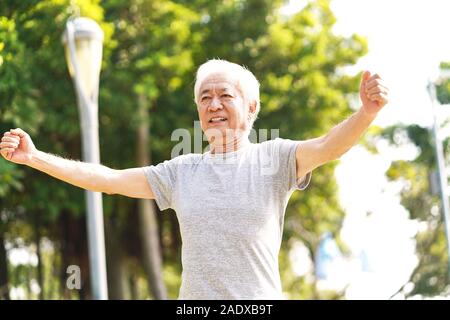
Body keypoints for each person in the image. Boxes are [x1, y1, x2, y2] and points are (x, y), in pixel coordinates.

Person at [0, 59, 389, 299]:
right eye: (204, 97)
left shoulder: (275, 157)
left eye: (225, 95)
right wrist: (35, 158)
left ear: (251, 107)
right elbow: (107, 179)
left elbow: (327, 146)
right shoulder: (181, 172)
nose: (213, 105)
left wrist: (366, 114)